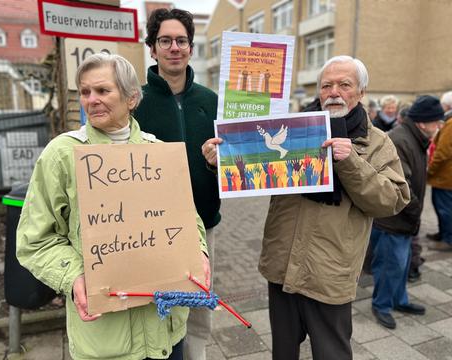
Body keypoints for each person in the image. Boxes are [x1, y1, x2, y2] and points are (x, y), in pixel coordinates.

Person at [203, 55, 410, 360]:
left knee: (332, 352)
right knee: (284, 352)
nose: (334, 92)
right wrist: (219, 161)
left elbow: (392, 200)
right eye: (326, 85)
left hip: (330, 272)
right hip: (282, 264)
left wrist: (350, 162)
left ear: (361, 92)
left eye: (344, 84)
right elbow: (251, 172)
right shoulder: (291, 127)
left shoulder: (376, 142)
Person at [16, 53, 210, 360]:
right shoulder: (62, 154)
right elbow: (34, 240)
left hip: (165, 331)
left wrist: (199, 251)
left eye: (102, 91)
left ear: (132, 98)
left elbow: (190, 220)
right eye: (85, 92)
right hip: (107, 340)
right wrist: (73, 277)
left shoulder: (158, 153)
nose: (91, 100)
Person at [134, 9, 220, 360]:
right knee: (160, 302)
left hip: (203, 222)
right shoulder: (135, 102)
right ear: (152, 49)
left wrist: (217, 166)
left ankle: (195, 355)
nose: (174, 47)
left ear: (190, 47)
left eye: (181, 40)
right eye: (165, 40)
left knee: (198, 300)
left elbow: (231, 165)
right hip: (153, 226)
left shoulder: (210, 101)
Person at [370, 95, 444, 329]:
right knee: (389, 265)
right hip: (394, 218)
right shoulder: (402, 140)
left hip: (405, 217)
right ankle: (381, 305)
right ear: (423, 122)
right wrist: (414, 212)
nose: (439, 126)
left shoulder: (415, 137)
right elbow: (401, 185)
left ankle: (399, 300)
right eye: (437, 122)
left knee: (400, 265)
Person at [426, 91, 452, 242]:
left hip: (445, 176)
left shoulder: (450, 124)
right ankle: (443, 234)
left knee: (445, 210)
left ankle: (448, 239)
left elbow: (442, 152)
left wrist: (431, 170)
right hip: (446, 176)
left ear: (447, 105)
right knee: (444, 208)